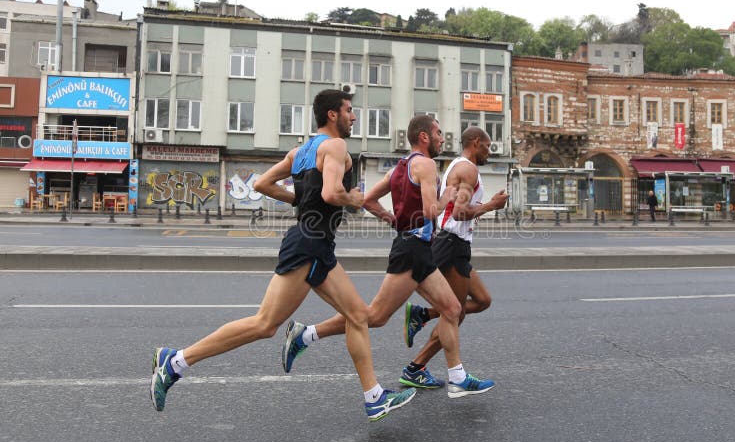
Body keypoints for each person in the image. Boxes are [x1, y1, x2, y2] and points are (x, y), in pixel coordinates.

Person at [149, 89, 416, 422]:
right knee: (264, 324)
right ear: (332, 115)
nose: (354, 117)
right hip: (309, 244)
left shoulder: (300, 151)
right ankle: (175, 363)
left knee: (359, 316)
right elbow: (331, 192)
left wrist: (297, 201)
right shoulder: (335, 146)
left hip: (316, 244)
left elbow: (262, 184)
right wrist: (354, 198)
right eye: (349, 111)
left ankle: (374, 396)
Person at [281, 115, 496, 398]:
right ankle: (305, 334)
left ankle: (457, 378)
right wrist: (448, 199)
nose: (443, 139)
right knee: (374, 316)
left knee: (453, 309)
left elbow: (368, 200)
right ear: (423, 137)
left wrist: (391, 218)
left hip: (416, 249)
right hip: (411, 252)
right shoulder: (427, 165)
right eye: (439, 133)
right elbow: (432, 211)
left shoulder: (398, 169)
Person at [399, 127, 508, 390]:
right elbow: (459, 213)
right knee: (454, 314)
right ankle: (416, 368)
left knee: (482, 300)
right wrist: (492, 206)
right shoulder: (468, 169)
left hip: (454, 243)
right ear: (475, 142)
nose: (488, 152)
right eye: (487, 147)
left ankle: (423, 314)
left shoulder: (457, 167)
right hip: (452, 243)